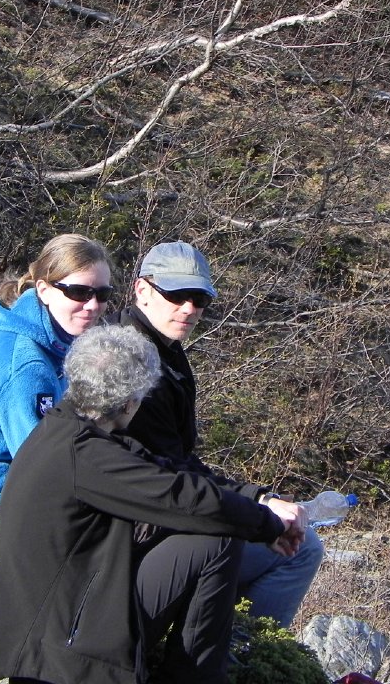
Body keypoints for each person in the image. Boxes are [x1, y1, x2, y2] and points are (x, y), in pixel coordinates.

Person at [0, 325, 305, 684]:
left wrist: (259, 500)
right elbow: (182, 498)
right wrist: (267, 525)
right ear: (130, 402)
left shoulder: (66, 429)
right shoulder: (85, 455)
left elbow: (169, 471)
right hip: (60, 654)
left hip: (59, 626)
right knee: (217, 541)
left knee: (210, 533)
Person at [110, 240, 326, 628]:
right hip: (138, 533)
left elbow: (179, 463)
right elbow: (171, 474)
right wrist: (257, 507)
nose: (189, 308)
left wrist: (257, 500)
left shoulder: (163, 349)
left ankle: (230, 638)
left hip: (155, 517)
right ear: (142, 290)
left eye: (199, 299)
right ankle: (248, 647)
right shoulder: (132, 364)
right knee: (304, 548)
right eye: (176, 295)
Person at [0, 234, 113, 562]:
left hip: (10, 508)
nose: (92, 305)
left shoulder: (46, 342)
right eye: (79, 292)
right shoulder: (26, 364)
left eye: (102, 294)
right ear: (44, 289)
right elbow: (45, 463)